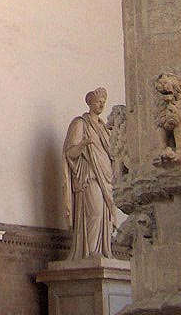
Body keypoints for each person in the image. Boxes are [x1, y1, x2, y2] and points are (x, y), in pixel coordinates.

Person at [63, 87, 115, 259]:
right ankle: (89, 251)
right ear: (90, 103)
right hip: (89, 176)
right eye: (98, 101)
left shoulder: (104, 128)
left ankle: (102, 250)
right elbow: (70, 153)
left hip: (106, 178)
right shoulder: (80, 123)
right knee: (95, 212)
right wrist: (83, 144)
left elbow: (111, 153)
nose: (101, 105)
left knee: (105, 217)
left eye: (103, 102)